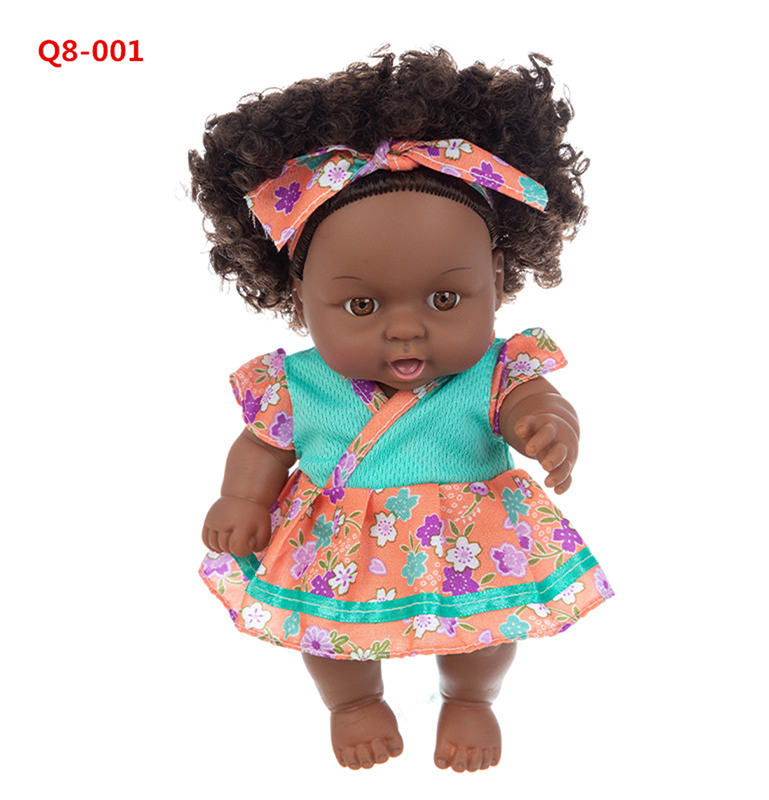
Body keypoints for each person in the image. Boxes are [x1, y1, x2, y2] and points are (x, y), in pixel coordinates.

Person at [190, 48, 613, 773]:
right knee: (329, 633)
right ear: (300, 301)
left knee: (486, 629)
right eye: (361, 305)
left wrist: (546, 423)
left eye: (446, 298)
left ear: (497, 280)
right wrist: (242, 499)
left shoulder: (496, 367)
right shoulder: (296, 383)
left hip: (470, 538)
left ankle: (472, 697)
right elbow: (263, 446)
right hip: (339, 538)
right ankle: (353, 703)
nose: (407, 328)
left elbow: (530, 398)